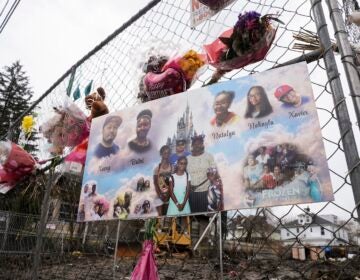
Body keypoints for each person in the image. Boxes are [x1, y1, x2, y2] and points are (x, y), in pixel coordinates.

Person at [187, 134, 216, 213]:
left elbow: (214, 172)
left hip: (206, 192)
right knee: (194, 217)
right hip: (191, 194)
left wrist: (212, 175)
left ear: (202, 145)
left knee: (205, 217)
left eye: (199, 143)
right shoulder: (187, 159)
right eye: (195, 144)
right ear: (192, 145)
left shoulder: (209, 156)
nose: (197, 146)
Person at [153, 145, 174, 216]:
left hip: (169, 195)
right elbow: (155, 183)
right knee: (160, 216)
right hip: (159, 195)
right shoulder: (157, 169)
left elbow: (173, 183)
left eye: (168, 153)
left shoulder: (172, 167)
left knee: (169, 216)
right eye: (165, 153)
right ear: (161, 154)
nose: (166, 155)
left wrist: (168, 194)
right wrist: (160, 195)